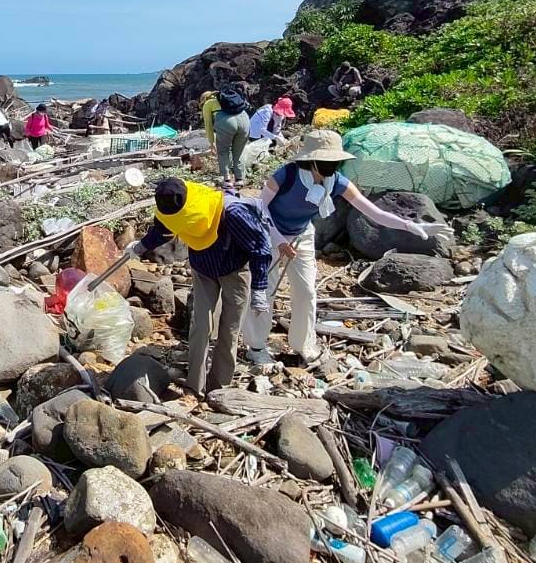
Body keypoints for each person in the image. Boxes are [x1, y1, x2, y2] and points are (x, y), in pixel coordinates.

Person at [243, 130, 452, 367]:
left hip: (302, 235)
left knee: (307, 292)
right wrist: (279, 240)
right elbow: (261, 209)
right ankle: (256, 346)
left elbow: (374, 212)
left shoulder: (337, 182)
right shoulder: (287, 175)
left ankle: (304, 345)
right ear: (311, 160)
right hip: (269, 233)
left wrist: (411, 226)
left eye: (335, 161)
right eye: (325, 161)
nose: (330, 166)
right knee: (264, 290)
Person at [126, 178, 271, 394]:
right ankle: (194, 387)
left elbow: (260, 246)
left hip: (235, 270)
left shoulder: (232, 212)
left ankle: (219, 387)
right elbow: (162, 231)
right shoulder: (169, 208)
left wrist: (259, 288)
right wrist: (140, 247)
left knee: (229, 330)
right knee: (200, 326)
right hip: (203, 268)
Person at [212, 87, 251, 189]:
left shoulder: (215, 105)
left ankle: (227, 180)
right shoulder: (240, 104)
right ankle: (239, 179)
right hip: (244, 119)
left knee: (223, 151)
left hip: (226, 121)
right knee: (239, 152)